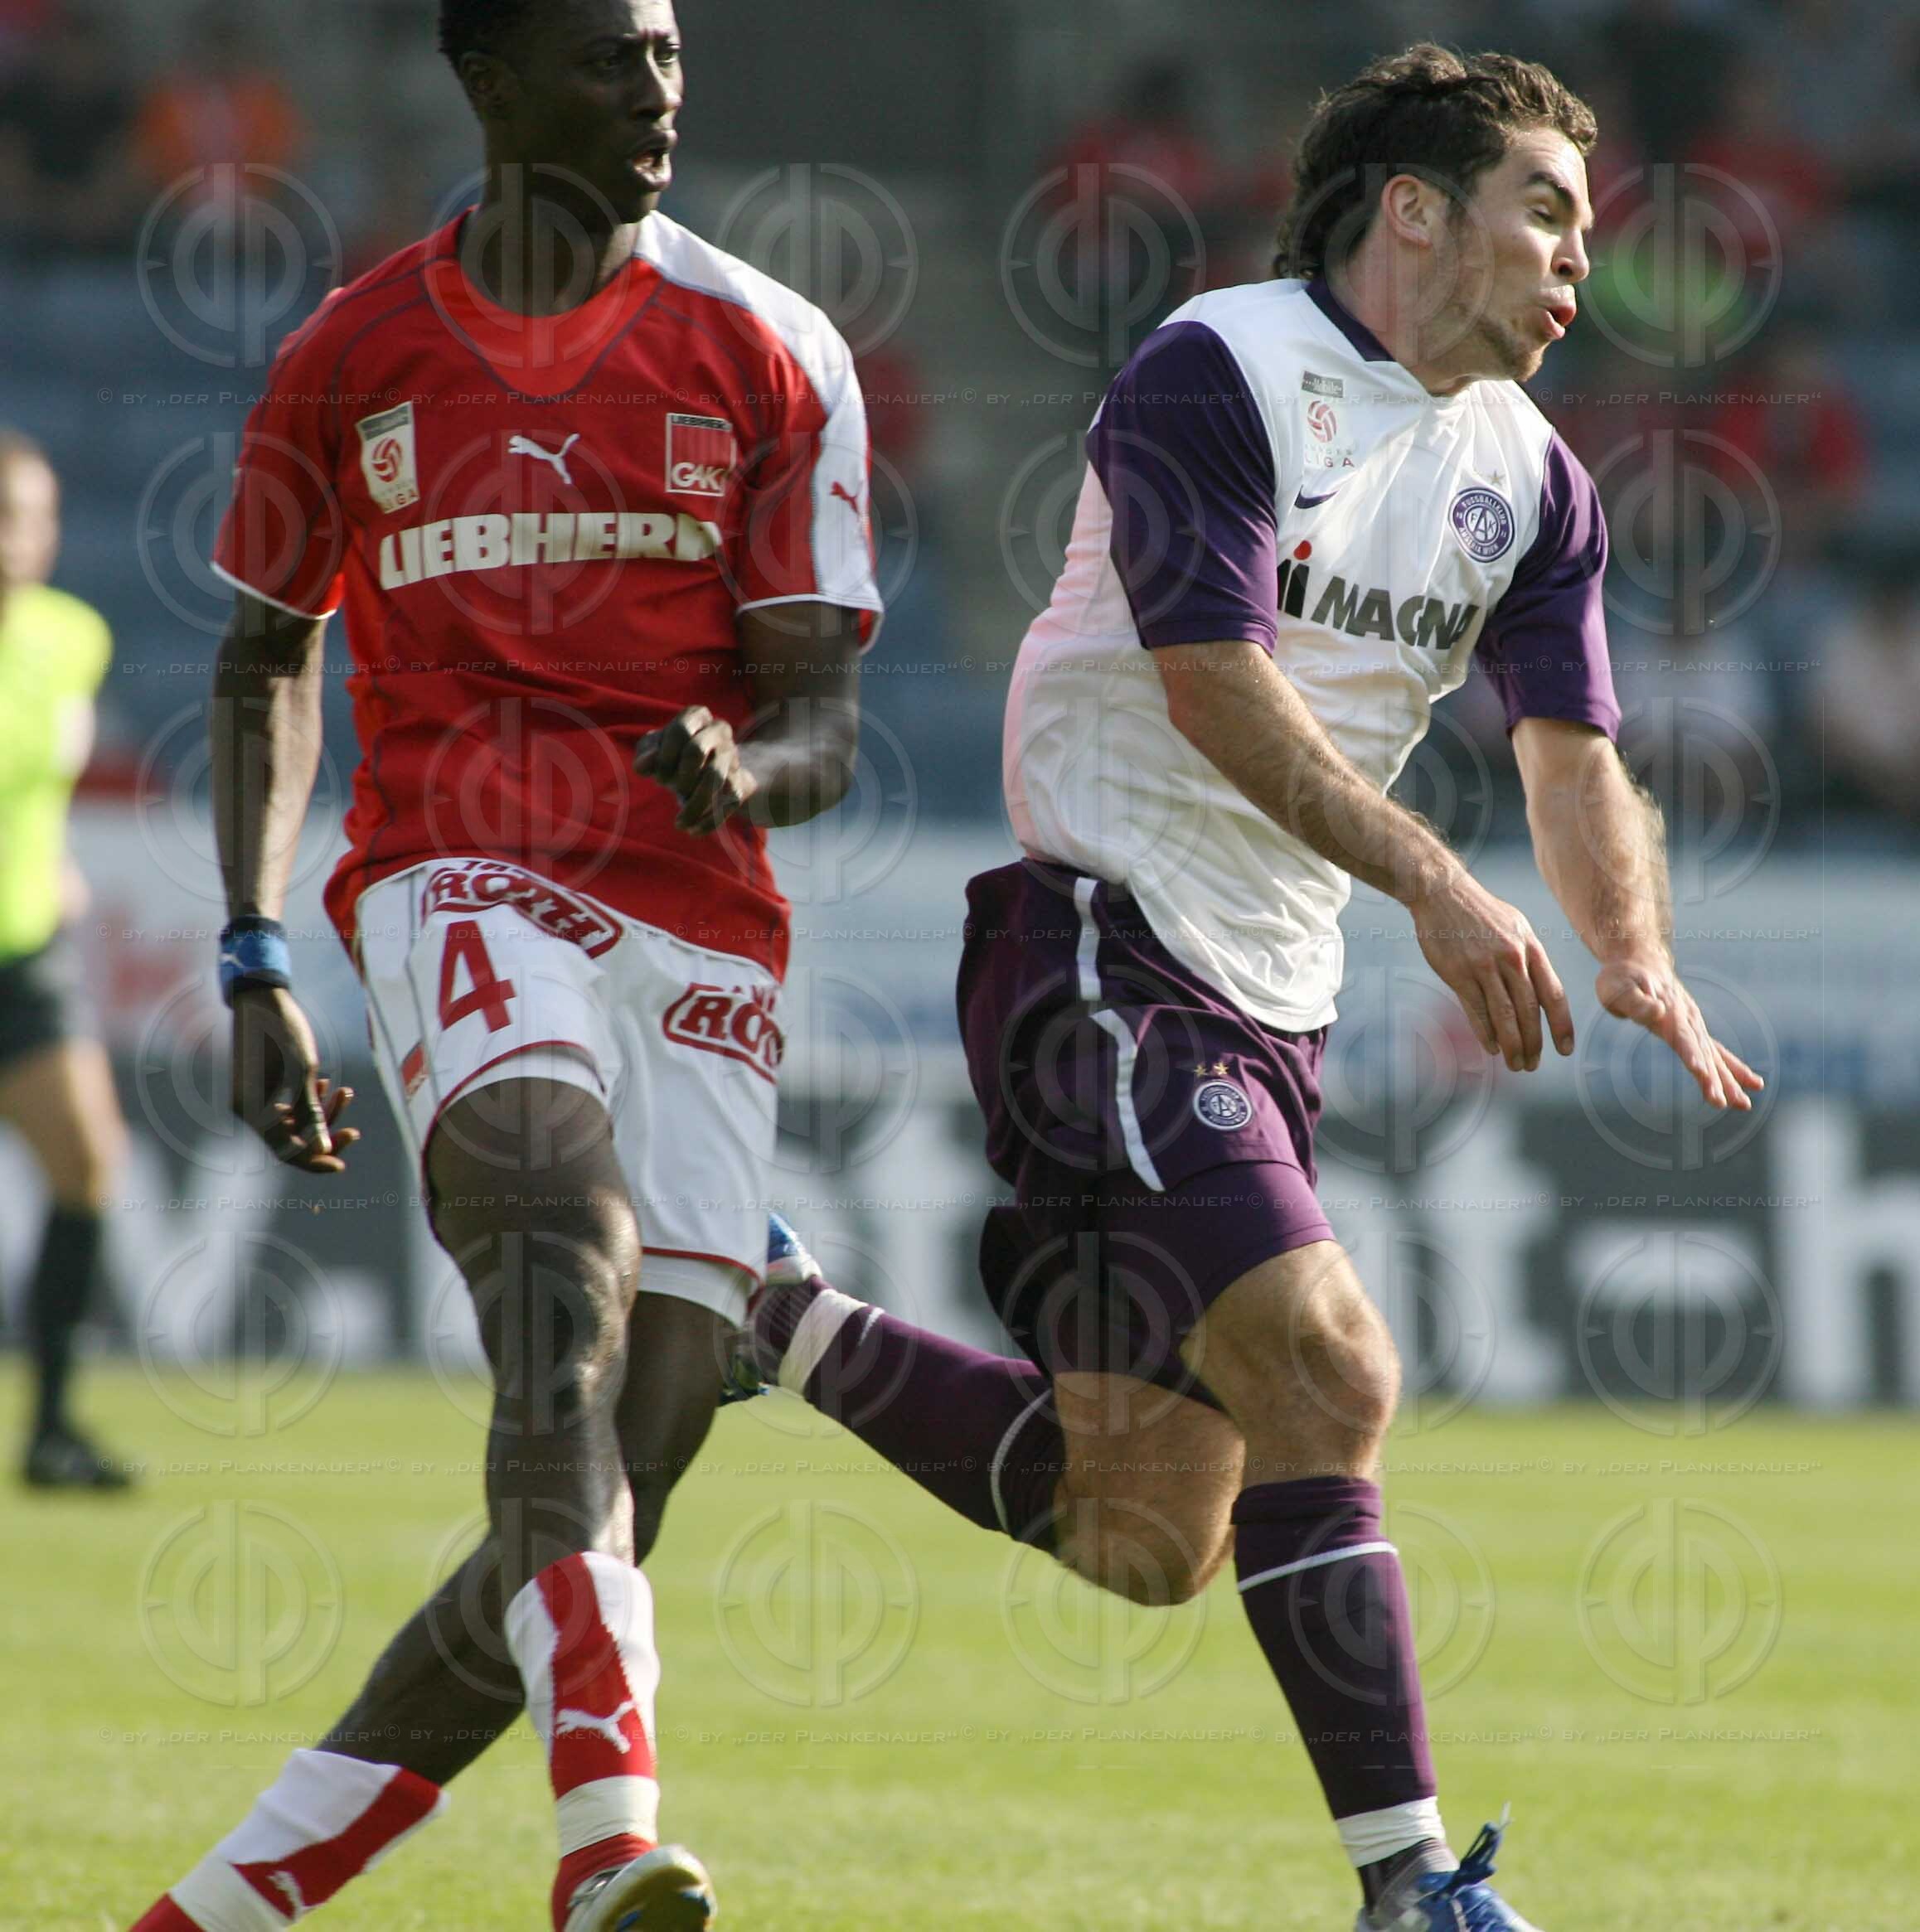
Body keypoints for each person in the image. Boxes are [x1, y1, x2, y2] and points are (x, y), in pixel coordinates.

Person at [735, 45, 1762, 1932]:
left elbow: (1567, 752)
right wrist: (1439, 888)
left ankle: (770, 1314)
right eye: (1541, 210)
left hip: (1264, 995)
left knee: (1145, 1535)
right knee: (1329, 1366)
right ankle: (1410, 1893)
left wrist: (1632, 953)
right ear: (1409, 213)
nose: (1573, 263)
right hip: (1099, 938)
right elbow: (1207, 681)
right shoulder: (1220, 368)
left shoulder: (1527, 479)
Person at [125, 2, 880, 1929]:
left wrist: (748, 765)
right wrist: (249, 947)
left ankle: (213, 1911)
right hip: (458, 872)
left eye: (669, 51)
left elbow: (823, 724)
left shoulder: (773, 347)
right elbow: (261, 657)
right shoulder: (351, 351)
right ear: (491, 72)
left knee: (606, 1488)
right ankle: (606, 1838)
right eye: (610, 56)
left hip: (698, 926)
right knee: (556, 1271)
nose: (659, 88)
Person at [0, 430, 133, 1491]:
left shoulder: (73, 637)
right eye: (2, 516)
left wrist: (59, 869)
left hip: (24, 949)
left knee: (88, 1166)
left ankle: (50, 1430)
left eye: (31, 518)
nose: (16, 540)